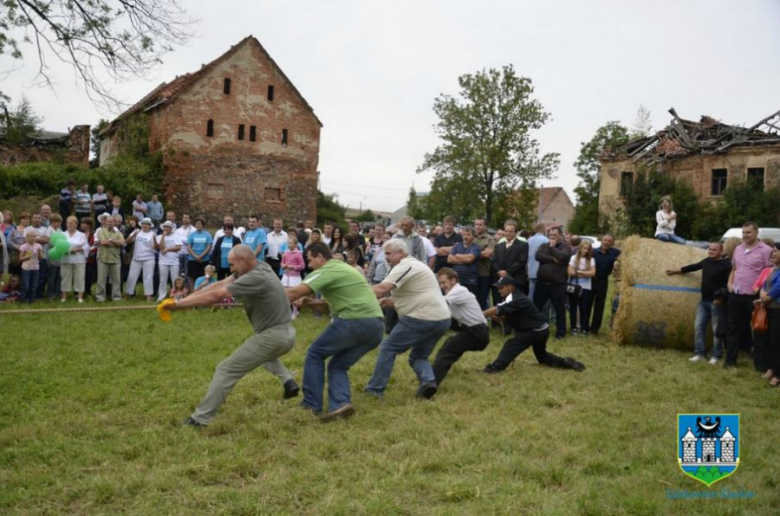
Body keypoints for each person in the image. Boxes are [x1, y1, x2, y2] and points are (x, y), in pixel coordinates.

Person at [165, 244, 299, 427]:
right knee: (262, 355)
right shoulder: (262, 266)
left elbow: (217, 295)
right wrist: (183, 300)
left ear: (243, 261)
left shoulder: (255, 277)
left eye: (232, 264)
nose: (231, 268)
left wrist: (179, 306)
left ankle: (199, 420)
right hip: (286, 334)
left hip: (274, 336)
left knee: (225, 369)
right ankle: (288, 380)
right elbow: (220, 284)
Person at [285, 242, 384, 421]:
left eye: (310, 260)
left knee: (315, 353)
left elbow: (293, 294)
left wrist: (261, 297)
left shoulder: (327, 270)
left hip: (354, 321)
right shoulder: (344, 268)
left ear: (320, 257)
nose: (309, 265)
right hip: (375, 326)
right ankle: (340, 404)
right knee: (338, 365)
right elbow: (329, 306)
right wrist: (309, 303)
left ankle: (311, 405)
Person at [365, 239, 451, 400]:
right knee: (418, 356)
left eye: (389, 253)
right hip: (442, 318)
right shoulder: (417, 266)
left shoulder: (405, 265)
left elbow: (382, 289)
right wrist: (388, 302)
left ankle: (375, 389)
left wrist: (356, 293)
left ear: (401, 253)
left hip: (421, 317)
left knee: (388, 348)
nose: (386, 257)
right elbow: (412, 295)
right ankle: (428, 381)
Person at [482, 276, 585, 373]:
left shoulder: (516, 299)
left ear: (510, 287)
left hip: (536, 331)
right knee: (542, 356)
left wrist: (480, 313)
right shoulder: (514, 297)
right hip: (542, 329)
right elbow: (504, 315)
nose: (499, 290)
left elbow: (497, 309)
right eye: (498, 288)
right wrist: (491, 317)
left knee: (511, 344)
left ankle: (495, 368)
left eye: (501, 288)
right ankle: (564, 362)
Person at [666, 242, 731, 364]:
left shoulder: (726, 265)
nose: (711, 251)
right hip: (703, 302)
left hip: (717, 303)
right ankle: (699, 353)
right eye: (710, 249)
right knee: (698, 328)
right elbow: (694, 267)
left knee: (716, 330)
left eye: (714, 250)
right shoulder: (706, 261)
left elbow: (729, 283)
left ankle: (716, 356)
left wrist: (721, 299)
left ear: (721, 252)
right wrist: (678, 270)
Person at [725, 222, 774, 367]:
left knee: (758, 329)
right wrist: (729, 284)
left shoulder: (766, 250)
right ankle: (730, 361)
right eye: (744, 232)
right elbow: (734, 269)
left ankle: (759, 364)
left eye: (749, 232)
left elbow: (769, 273)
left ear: (757, 233)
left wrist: (760, 289)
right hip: (736, 294)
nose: (745, 235)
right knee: (732, 328)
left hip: (754, 296)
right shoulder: (738, 249)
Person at [432, 268, 490, 385]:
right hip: (474, 331)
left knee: (447, 351)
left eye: (443, 282)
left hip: (477, 333)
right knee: (449, 343)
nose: (441, 286)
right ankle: (433, 374)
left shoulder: (459, 291)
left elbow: (439, 304)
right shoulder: (453, 294)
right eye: (440, 283)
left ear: (453, 280)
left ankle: (430, 383)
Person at [534, 227, 571, 339]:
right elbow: (538, 256)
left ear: (560, 235)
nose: (552, 237)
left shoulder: (566, 247)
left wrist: (553, 248)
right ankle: (535, 328)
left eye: (555, 235)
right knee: (536, 307)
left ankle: (560, 333)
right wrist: (553, 259)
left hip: (557, 284)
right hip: (542, 283)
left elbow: (562, 257)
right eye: (550, 235)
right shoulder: (543, 246)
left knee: (559, 308)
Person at [754, 248, 780, 386]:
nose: (774, 254)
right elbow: (765, 284)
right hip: (770, 308)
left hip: (777, 310)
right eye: (773, 252)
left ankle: (778, 374)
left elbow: (778, 288)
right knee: (770, 340)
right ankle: (771, 368)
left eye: (777, 251)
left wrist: (766, 298)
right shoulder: (774, 269)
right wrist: (763, 294)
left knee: (777, 342)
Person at [590, 234, 621, 335]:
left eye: (609, 241)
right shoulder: (593, 252)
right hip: (590, 280)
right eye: (605, 240)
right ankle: (584, 327)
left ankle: (595, 329)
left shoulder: (615, 252)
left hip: (603, 281)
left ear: (612, 243)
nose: (607, 243)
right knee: (586, 304)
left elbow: (625, 257)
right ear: (601, 241)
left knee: (599, 305)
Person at [492, 220, 529, 300]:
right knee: (498, 305)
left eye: (510, 231)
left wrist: (507, 272)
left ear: (516, 232)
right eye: (506, 231)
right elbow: (494, 261)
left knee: (513, 305)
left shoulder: (523, 245)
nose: (508, 233)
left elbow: (521, 261)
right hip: (499, 280)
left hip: (515, 280)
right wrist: (499, 271)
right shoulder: (499, 246)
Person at [567, 241, 596, 335]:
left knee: (584, 308)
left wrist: (578, 272)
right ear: (580, 248)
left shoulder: (591, 260)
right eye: (584, 248)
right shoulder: (573, 258)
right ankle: (573, 327)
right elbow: (570, 272)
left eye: (588, 249)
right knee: (573, 307)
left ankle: (584, 327)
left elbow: (592, 273)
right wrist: (584, 273)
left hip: (586, 287)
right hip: (574, 286)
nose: (586, 250)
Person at [125, 218, 157, 302]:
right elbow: (127, 241)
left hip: (149, 258)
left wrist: (154, 239)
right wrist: (133, 235)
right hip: (136, 258)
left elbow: (155, 248)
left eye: (146, 224)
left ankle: (148, 296)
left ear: (150, 226)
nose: (144, 225)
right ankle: (128, 294)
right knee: (131, 276)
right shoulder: (137, 231)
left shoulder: (153, 234)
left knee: (148, 277)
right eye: (143, 224)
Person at [95, 214, 125, 302]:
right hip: (103, 259)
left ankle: (116, 298)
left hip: (115, 259)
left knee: (116, 281)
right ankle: (100, 298)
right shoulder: (100, 231)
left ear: (114, 223)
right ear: (105, 222)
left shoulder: (118, 232)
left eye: (111, 222)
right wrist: (116, 243)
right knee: (101, 280)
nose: (109, 223)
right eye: (107, 221)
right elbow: (104, 242)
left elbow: (122, 243)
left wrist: (111, 240)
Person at [60, 216, 89, 303]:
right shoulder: (63, 234)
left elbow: (86, 247)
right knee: (65, 278)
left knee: (79, 278)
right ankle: (64, 297)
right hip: (66, 259)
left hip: (79, 259)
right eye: (68, 223)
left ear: (76, 224)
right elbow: (59, 246)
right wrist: (64, 251)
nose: (69, 225)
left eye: (71, 223)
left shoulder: (81, 235)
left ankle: (80, 297)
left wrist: (77, 249)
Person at [24, 213, 52, 299]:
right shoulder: (27, 228)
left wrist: (32, 238)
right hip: (28, 257)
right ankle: (28, 294)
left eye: (39, 218)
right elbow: (25, 240)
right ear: (32, 219)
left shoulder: (46, 229)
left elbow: (46, 240)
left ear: (41, 219)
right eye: (35, 218)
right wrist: (40, 238)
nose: (37, 219)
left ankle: (38, 295)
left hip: (42, 256)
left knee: (42, 277)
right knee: (29, 276)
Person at [447, 226, 481, 297]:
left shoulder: (476, 247)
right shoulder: (457, 246)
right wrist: (465, 260)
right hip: (457, 281)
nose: (465, 237)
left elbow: (469, 259)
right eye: (464, 234)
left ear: (473, 237)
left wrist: (457, 255)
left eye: (468, 235)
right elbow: (449, 259)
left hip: (470, 282)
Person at [473, 217, 496, 310]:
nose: (477, 227)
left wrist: (470, 254)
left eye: (480, 224)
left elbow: (487, 254)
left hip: (483, 274)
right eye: (476, 224)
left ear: (485, 226)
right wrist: (480, 252)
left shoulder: (490, 239)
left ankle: (482, 322)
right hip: (471, 273)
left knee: (482, 300)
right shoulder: (470, 236)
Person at [156, 221, 181, 302]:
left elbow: (178, 247)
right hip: (163, 262)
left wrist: (168, 249)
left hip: (174, 261)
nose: (166, 228)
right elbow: (161, 248)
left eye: (168, 227)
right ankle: (161, 296)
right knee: (162, 280)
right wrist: (163, 236)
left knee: (175, 280)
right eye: (165, 226)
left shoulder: (176, 236)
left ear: (171, 228)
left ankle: (175, 296)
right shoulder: (159, 236)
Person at [186, 218, 213, 291]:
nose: (198, 225)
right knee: (192, 277)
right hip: (192, 259)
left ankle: (202, 293)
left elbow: (208, 247)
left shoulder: (207, 235)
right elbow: (188, 247)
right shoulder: (192, 235)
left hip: (204, 259)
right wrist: (195, 256)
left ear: (203, 225)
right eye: (196, 224)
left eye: (200, 224)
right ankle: (192, 293)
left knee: (204, 277)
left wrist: (201, 256)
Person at [526, 223, 549, 302]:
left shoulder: (529, 240)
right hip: (542, 272)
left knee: (531, 293)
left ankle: (530, 311)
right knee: (541, 295)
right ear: (543, 229)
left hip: (531, 270)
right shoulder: (546, 240)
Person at [19, 232, 42, 304]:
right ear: (27, 237)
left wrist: (39, 253)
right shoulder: (24, 246)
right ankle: (23, 299)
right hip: (26, 268)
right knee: (25, 285)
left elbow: (40, 258)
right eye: (31, 236)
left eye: (34, 236)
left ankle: (31, 300)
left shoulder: (38, 246)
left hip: (35, 268)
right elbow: (20, 258)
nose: (32, 238)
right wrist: (26, 257)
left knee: (34, 285)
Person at [46, 214, 63, 299]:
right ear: (52, 222)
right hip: (52, 254)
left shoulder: (60, 230)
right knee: (52, 276)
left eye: (59, 222)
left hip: (60, 255)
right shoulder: (48, 230)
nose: (57, 223)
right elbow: (50, 242)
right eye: (55, 221)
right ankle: (50, 293)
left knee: (59, 275)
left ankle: (58, 292)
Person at [80, 218, 98, 299]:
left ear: (89, 225)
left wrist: (87, 251)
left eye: (84, 223)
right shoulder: (79, 234)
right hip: (80, 258)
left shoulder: (94, 234)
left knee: (89, 276)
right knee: (80, 276)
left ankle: (87, 292)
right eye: (82, 223)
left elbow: (95, 246)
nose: (82, 225)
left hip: (90, 259)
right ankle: (78, 292)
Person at [174, 213, 194, 279]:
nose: (185, 219)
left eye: (187, 218)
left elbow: (190, 242)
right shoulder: (178, 230)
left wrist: (184, 241)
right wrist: (185, 241)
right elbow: (176, 241)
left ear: (190, 219)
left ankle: (187, 288)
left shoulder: (193, 230)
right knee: (179, 272)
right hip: (179, 253)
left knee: (187, 273)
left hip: (189, 254)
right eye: (184, 218)